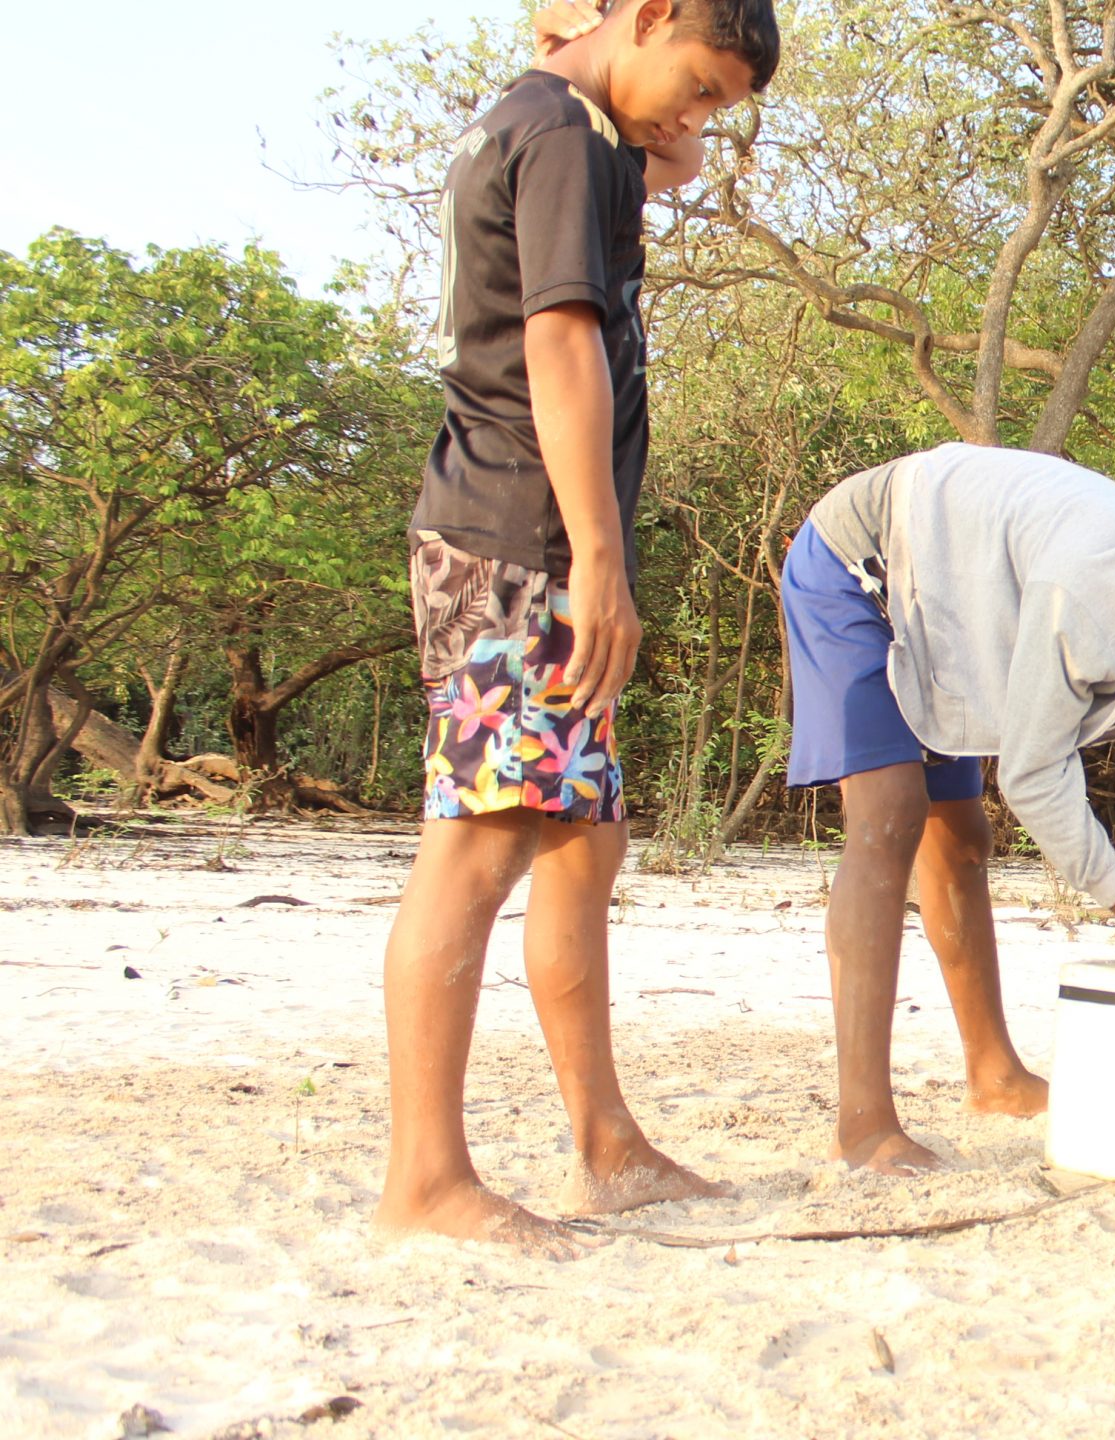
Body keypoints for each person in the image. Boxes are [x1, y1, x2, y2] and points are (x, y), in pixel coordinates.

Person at [374, 0, 783, 1258]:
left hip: (534, 536)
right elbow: (560, 342)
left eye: (720, 102)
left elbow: (673, 156)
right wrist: (598, 555)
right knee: (484, 843)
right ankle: (426, 1182)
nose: (697, 120)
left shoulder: (568, 118)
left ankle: (605, 1144)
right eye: (700, 83)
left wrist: (634, 81)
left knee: (579, 844)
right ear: (652, 14)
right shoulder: (556, 131)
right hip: (518, 535)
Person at [782, 443, 1115, 1175]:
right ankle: (864, 1124)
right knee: (890, 816)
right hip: (866, 565)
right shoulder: (1092, 593)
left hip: (957, 605)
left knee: (963, 837)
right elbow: (1033, 773)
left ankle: (994, 1074)